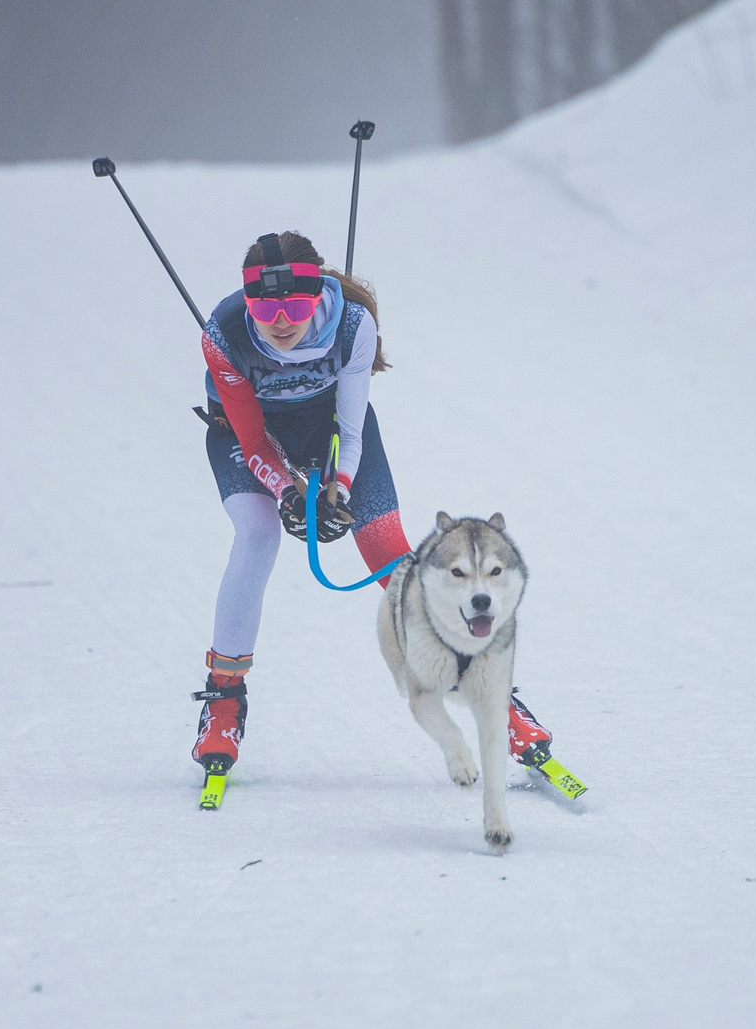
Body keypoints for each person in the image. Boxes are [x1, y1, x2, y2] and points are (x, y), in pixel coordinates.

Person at [191, 231, 556, 780]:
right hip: (249, 440)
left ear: (318, 294)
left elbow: (353, 423)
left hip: (335, 431)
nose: (281, 319)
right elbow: (252, 441)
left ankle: (498, 701)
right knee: (259, 535)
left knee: (392, 556)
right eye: (265, 305)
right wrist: (289, 494)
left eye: (295, 303)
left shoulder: (353, 326)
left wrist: (336, 485)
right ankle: (223, 701)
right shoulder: (224, 336)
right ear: (248, 302)